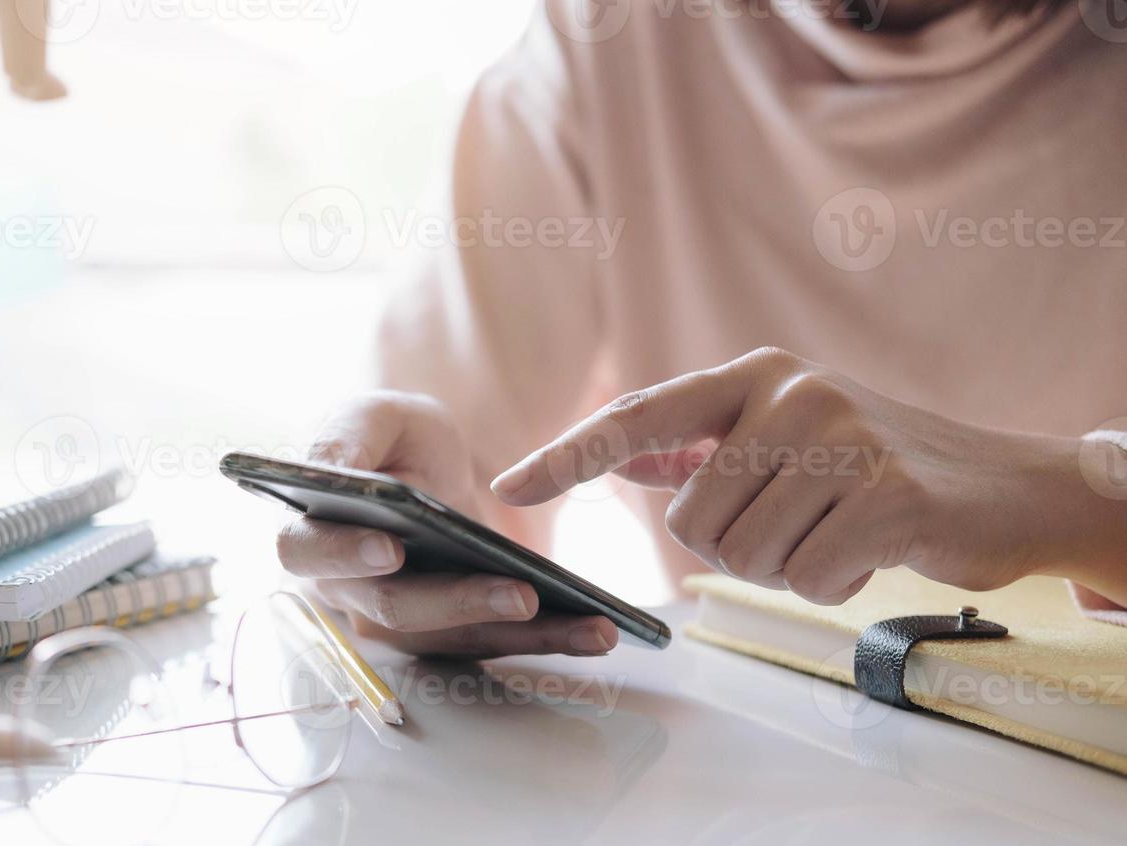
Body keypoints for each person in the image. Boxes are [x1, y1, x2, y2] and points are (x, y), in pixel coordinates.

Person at [277, 0, 1127, 657]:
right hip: (752, 788)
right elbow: (466, 492)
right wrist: (416, 556)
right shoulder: (610, 38)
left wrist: (1063, 493)